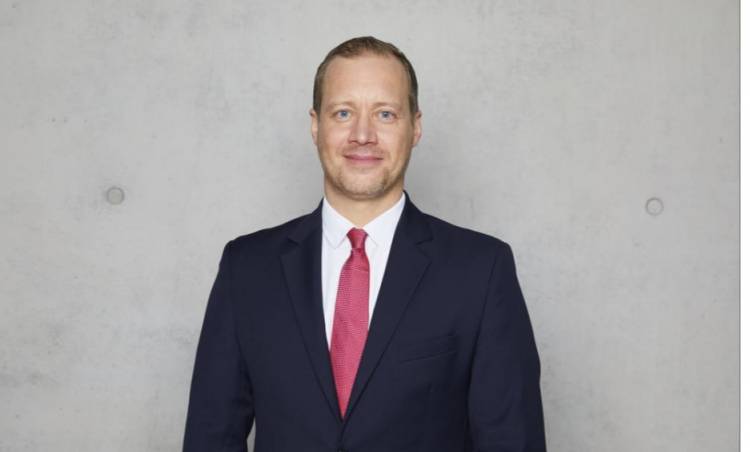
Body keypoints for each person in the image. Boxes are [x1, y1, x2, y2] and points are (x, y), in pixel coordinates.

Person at [183, 36, 546, 452]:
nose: (362, 135)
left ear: (415, 127)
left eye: (385, 114)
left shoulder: (481, 270)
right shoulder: (246, 268)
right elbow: (210, 438)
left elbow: (512, 441)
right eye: (343, 113)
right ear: (316, 125)